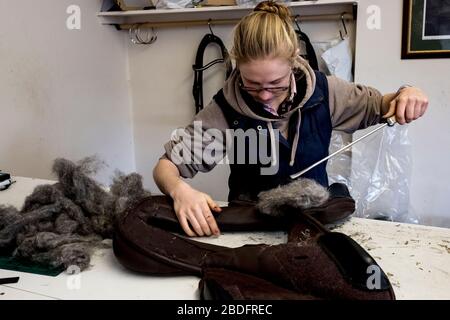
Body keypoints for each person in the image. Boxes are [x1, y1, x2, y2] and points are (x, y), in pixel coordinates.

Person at [153, 1, 428, 238]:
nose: (263, 95)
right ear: (237, 65)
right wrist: (180, 191)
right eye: (251, 83)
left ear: (294, 61)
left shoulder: (327, 93)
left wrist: (407, 93)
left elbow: (382, 104)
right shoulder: (225, 111)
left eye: (275, 83)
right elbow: (166, 166)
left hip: (314, 226)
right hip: (249, 232)